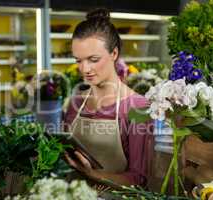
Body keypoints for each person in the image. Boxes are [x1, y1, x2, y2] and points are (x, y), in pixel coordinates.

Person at [63, 8, 153, 187]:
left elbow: (139, 179)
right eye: (78, 61)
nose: (85, 69)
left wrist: (92, 173)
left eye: (93, 59)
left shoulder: (138, 107)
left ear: (114, 54)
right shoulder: (76, 103)